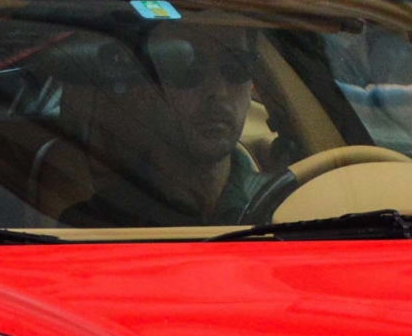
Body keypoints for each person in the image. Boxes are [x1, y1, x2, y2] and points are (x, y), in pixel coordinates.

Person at [61, 24, 268, 226]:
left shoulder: (282, 207)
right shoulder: (96, 226)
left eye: (237, 67)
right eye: (189, 69)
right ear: (145, 92)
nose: (219, 93)